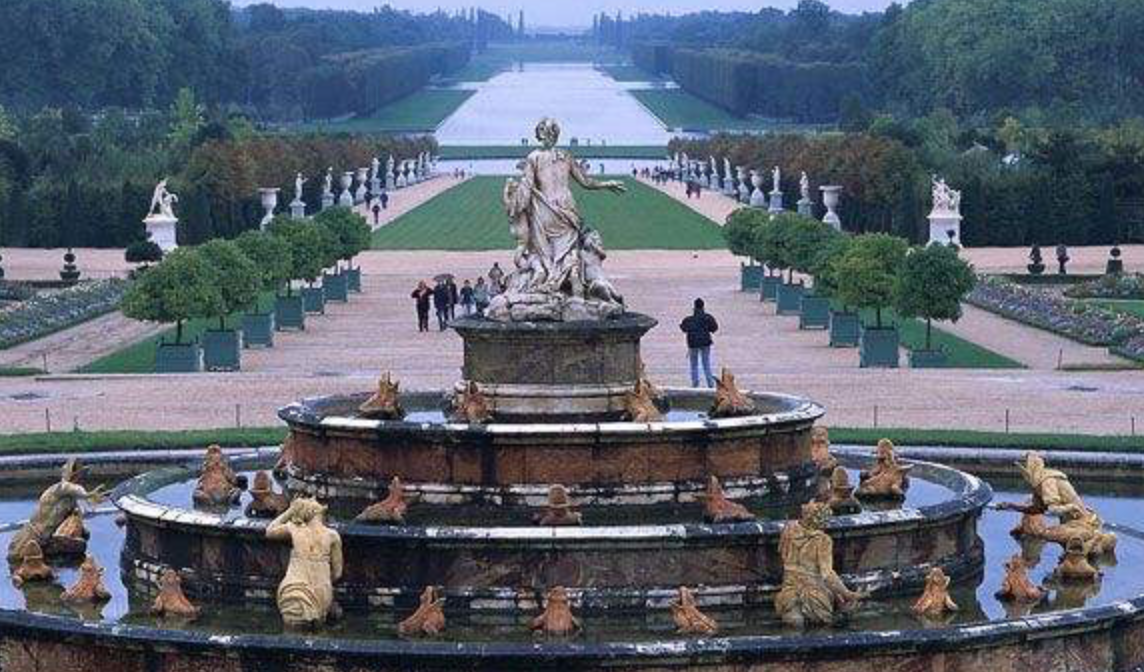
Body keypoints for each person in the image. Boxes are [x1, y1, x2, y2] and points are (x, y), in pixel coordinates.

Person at [680, 298, 719, 388]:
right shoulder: (708, 318)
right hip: (705, 343)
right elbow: (715, 328)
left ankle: (695, 384)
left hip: (693, 344)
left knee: (694, 364)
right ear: (703, 307)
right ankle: (710, 384)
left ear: (694, 307)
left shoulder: (688, 319)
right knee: (706, 363)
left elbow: (683, 328)